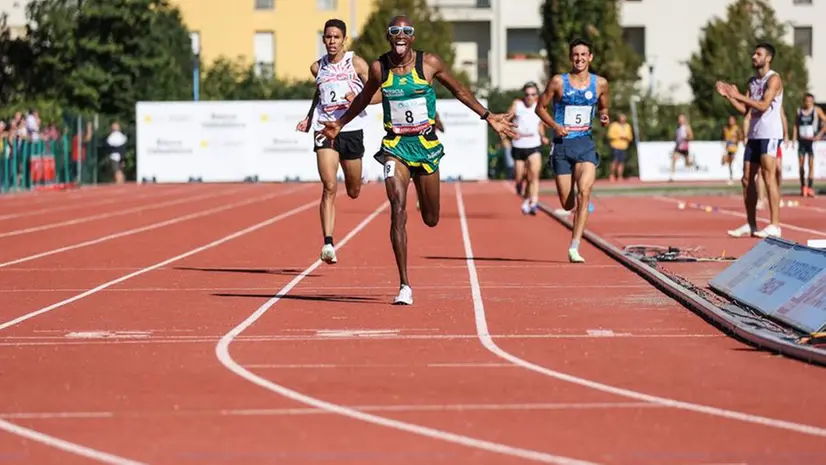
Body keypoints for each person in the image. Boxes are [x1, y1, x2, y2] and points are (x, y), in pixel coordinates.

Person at [320, 15, 516, 305]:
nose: (400, 36)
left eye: (406, 31)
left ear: (412, 37)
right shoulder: (379, 67)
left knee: (431, 218)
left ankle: (424, 198)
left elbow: (459, 90)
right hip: (395, 146)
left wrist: (489, 117)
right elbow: (363, 98)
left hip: (425, 145)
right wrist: (340, 122)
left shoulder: (429, 63)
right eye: (394, 31)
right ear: (389, 37)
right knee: (397, 209)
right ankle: (404, 285)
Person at [297, 19, 381, 265]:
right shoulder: (316, 67)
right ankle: (328, 243)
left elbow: (378, 93)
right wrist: (309, 117)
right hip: (325, 128)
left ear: (344, 40)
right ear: (323, 39)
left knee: (353, 191)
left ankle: (358, 174)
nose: (331, 41)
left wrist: (360, 98)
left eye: (336, 37)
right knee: (329, 185)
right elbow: (319, 94)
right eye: (327, 37)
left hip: (351, 129)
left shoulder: (356, 63)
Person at [536, 38, 610, 264]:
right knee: (568, 204)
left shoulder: (600, 84)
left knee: (584, 193)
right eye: (575, 55)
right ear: (571, 58)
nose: (579, 59)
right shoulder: (559, 82)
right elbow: (540, 108)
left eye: (583, 55)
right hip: (562, 147)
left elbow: (604, 106)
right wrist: (555, 126)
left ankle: (575, 246)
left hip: (584, 144)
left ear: (590, 57)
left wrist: (604, 116)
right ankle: (574, 211)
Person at [716, 42, 783, 238]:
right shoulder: (752, 81)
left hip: (769, 133)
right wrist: (730, 97)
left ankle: (775, 225)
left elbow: (762, 105)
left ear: (768, 58)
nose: (754, 57)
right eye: (753, 54)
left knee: (769, 177)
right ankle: (751, 223)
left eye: (758, 54)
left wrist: (737, 95)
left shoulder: (774, 79)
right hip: (754, 134)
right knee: (746, 179)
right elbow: (746, 110)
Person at [502, 81, 548, 214]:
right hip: (519, 144)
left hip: (534, 143)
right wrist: (511, 133)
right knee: (520, 176)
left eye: (533, 94)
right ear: (524, 95)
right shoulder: (517, 105)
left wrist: (543, 136)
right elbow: (506, 120)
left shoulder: (539, 105)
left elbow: (540, 124)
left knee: (534, 175)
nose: (530, 97)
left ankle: (534, 201)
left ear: (537, 95)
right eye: (527, 94)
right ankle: (520, 186)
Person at [793, 93, 826, 197]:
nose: (808, 103)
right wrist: (794, 138)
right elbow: (796, 125)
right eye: (807, 101)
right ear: (804, 101)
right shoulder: (800, 111)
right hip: (802, 140)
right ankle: (803, 186)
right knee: (801, 164)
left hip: (811, 141)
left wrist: (820, 134)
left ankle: (810, 187)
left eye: (811, 101)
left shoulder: (816, 110)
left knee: (811, 163)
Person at [607, 113, 633, 182]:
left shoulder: (628, 126)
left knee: (621, 162)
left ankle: (620, 176)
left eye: (624, 118)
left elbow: (630, 137)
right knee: (615, 161)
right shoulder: (614, 125)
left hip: (624, 146)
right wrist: (619, 136)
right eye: (621, 118)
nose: (623, 119)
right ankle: (612, 175)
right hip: (615, 146)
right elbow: (610, 135)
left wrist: (626, 137)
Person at [669, 114, 694, 181]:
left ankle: (692, 163)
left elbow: (691, 137)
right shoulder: (678, 127)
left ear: (684, 119)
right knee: (674, 159)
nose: (680, 120)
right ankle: (672, 176)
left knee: (687, 164)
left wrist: (685, 138)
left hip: (684, 147)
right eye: (679, 119)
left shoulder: (687, 127)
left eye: (681, 119)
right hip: (678, 147)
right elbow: (677, 137)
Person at [721, 115, 743, 185]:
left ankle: (738, 176)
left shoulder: (736, 128)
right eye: (730, 120)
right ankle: (731, 177)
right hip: (728, 148)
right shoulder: (726, 128)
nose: (730, 121)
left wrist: (735, 140)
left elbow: (740, 137)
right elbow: (723, 137)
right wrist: (726, 141)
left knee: (733, 161)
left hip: (735, 148)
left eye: (732, 120)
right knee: (728, 163)